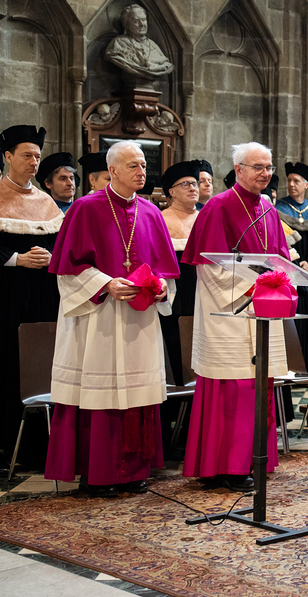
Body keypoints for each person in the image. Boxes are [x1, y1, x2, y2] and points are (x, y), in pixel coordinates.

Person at [44, 140, 179, 497]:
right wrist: (105, 283)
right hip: (98, 317)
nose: (141, 172)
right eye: (133, 165)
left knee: (137, 395)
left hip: (139, 320)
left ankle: (134, 472)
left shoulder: (151, 213)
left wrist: (162, 289)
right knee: (100, 394)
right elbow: (67, 272)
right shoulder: (85, 208)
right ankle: (98, 474)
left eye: (144, 165)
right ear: (113, 170)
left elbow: (166, 272)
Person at [181, 142, 290, 492]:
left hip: (262, 310)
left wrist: (278, 282)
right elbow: (210, 266)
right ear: (239, 170)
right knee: (233, 389)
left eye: (269, 167)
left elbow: (281, 259)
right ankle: (224, 466)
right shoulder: (218, 206)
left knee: (257, 386)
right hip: (228, 313)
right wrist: (252, 287)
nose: (265, 173)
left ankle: (255, 460)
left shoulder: (268, 209)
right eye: (258, 167)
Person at [0, 125, 63, 472]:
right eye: (27, 155)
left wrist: (51, 258)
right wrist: (16, 259)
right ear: (8, 157)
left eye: (37, 156)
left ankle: (42, 446)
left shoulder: (45, 201)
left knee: (43, 362)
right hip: (7, 295)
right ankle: (6, 445)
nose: (34, 162)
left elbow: (62, 246)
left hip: (44, 296)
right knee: (8, 362)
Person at [276, 162, 308, 372]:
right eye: (289, 180)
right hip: (287, 274)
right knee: (290, 322)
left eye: (296, 181)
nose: (291, 184)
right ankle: (289, 369)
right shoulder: (279, 209)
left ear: (306, 185)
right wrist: (294, 263)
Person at [158, 160, 202, 385]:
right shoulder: (160, 218)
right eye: (185, 184)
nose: (193, 188)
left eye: (195, 183)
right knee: (175, 343)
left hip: (204, 290)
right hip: (174, 292)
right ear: (171, 191)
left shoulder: (206, 216)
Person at [104, 4, 175, 80]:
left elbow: (166, 64)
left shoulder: (152, 44)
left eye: (143, 20)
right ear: (126, 24)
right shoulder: (118, 43)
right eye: (136, 21)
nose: (142, 24)